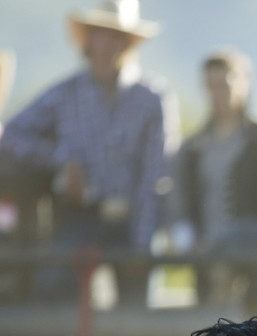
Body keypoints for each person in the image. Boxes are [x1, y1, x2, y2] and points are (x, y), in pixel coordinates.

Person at [0, 0, 177, 306]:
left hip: (133, 219)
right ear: (88, 40)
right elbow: (11, 134)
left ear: (128, 43)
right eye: (102, 35)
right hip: (80, 216)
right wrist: (61, 160)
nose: (108, 45)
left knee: (135, 314)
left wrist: (142, 243)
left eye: (116, 36)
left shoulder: (153, 99)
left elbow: (156, 176)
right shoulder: (65, 93)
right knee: (50, 287)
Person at [169, 48, 257, 304]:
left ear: (245, 83)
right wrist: (186, 237)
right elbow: (179, 201)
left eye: (224, 84)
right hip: (206, 260)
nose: (218, 93)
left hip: (255, 261)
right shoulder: (193, 147)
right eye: (211, 86)